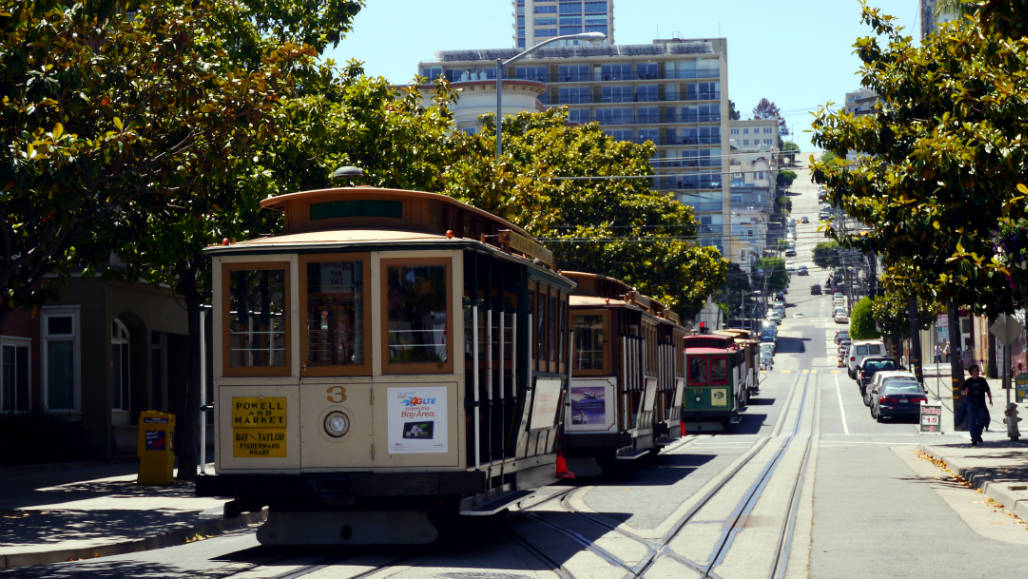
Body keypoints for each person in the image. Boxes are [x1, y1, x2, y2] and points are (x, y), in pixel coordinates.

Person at [961, 364, 992, 445]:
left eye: (977, 370)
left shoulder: (982, 380)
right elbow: (962, 392)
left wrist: (990, 399)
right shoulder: (968, 381)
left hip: (981, 403)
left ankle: (977, 435)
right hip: (971, 403)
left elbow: (988, 390)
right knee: (972, 421)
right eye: (974, 371)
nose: (976, 372)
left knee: (982, 420)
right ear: (971, 372)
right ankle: (974, 438)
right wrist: (965, 391)